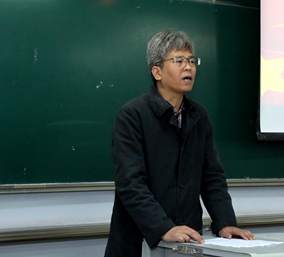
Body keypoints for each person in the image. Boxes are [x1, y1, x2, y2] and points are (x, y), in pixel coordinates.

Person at [104, 30, 254, 256]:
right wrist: (163, 227)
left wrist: (225, 222)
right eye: (179, 61)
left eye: (192, 61)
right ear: (157, 71)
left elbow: (212, 176)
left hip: (188, 239)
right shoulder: (133, 114)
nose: (188, 67)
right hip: (138, 239)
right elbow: (130, 182)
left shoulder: (199, 115)